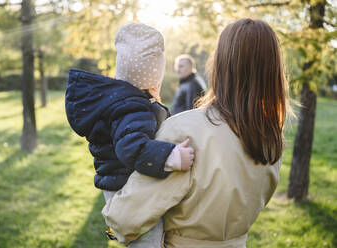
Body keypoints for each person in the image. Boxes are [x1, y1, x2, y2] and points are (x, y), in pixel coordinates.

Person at [103, 18, 293, 247]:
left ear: (221, 64)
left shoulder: (184, 131)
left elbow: (126, 218)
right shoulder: (272, 141)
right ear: (273, 70)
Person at [65, 23, 195, 247]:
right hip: (126, 188)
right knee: (148, 240)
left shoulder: (120, 100)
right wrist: (171, 157)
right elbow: (131, 148)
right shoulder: (132, 107)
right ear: (154, 78)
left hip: (116, 182)